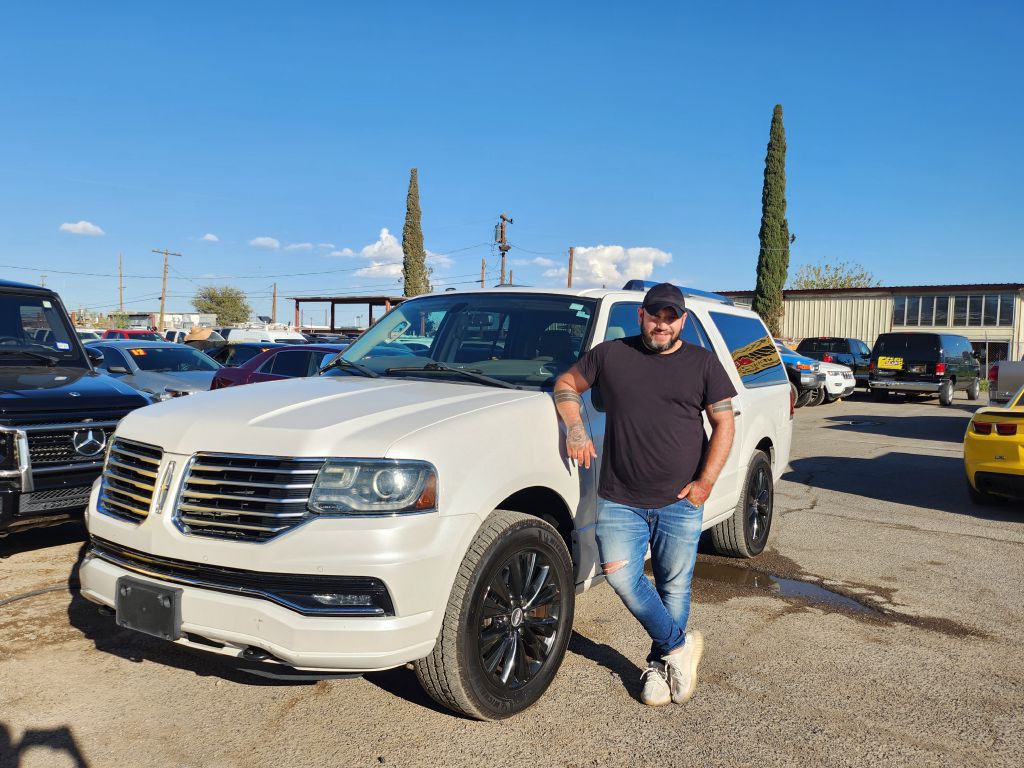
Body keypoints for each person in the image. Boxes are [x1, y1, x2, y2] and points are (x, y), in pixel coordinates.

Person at [553, 283, 736, 706]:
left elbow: (725, 424)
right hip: (620, 498)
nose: (662, 324)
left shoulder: (703, 364)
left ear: (682, 321)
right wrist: (575, 427)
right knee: (621, 576)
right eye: (656, 315)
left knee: (674, 586)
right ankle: (679, 649)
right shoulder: (612, 355)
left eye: (671, 317)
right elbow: (566, 383)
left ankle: (658, 666)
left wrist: (705, 483)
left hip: (680, 500)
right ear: (641, 315)